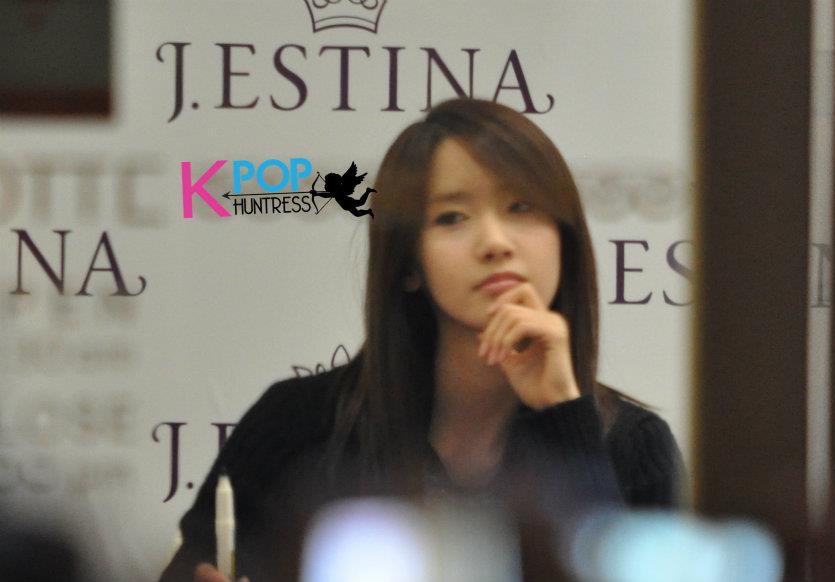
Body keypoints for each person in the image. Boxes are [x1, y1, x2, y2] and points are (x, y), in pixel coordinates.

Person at [159, 98, 683, 582]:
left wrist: (565, 414)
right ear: (409, 262)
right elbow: (195, 566)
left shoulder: (634, 448)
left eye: (521, 207)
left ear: (564, 240)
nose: (495, 242)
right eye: (451, 217)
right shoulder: (297, 427)